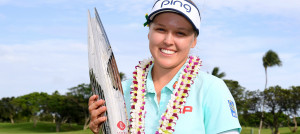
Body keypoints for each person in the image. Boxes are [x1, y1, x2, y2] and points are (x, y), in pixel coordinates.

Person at [88, 0, 242, 133]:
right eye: (161, 29)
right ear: (149, 32)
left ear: (194, 40)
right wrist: (101, 130)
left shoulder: (211, 89)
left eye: (180, 33)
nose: (168, 40)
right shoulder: (121, 92)